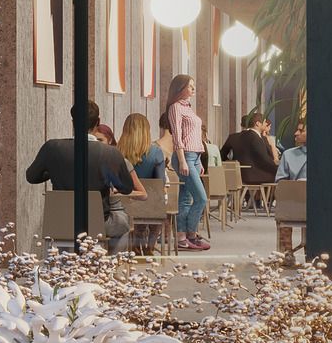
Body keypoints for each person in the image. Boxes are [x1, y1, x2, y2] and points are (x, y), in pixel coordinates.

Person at [24, 121, 141, 252]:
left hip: (60, 224)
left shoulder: (51, 147)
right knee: (123, 223)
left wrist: (54, 171)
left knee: (67, 226)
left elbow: (31, 177)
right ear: (97, 122)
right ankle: (112, 262)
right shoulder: (111, 152)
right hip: (97, 225)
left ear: (73, 121)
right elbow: (126, 188)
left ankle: (65, 258)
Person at [162, 76, 210, 251]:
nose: (193, 89)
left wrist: (199, 161)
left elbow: (194, 136)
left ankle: (181, 238)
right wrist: (182, 160)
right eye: (190, 86)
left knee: (186, 198)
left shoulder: (188, 107)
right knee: (201, 198)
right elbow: (177, 136)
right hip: (185, 157)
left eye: (193, 86)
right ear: (180, 88)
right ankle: (191, 234)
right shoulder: (175, 107)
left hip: (195, 157)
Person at [221, 113, 280, 187]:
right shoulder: (255, 137)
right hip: (255, 176)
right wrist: (278, 169)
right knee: (282, 177)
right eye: (264, 122)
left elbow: (222, 156)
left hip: (238, 176)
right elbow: (264, 159)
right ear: (257, 123)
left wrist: (233, 165)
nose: (266, 124)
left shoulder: (235, 137)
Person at [119, 110, 161, 181]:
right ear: (146, 131)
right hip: (148, 188)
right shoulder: (156, 152)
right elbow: (160, 182)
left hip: (121, 188)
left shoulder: (115, 152)